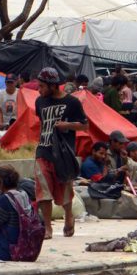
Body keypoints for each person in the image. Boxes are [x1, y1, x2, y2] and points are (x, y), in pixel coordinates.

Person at [33, 67, 87, 240]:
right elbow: (43, 124)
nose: (39, 90)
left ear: (53, 86)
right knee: (43, 190)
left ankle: (68, 215)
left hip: (63, 153)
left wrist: (67, 126)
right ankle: (47, 227)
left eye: (42, 86)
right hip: (43, 150)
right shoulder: (39, 102)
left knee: (65, 187)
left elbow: (85, 126)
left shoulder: (72, 103)